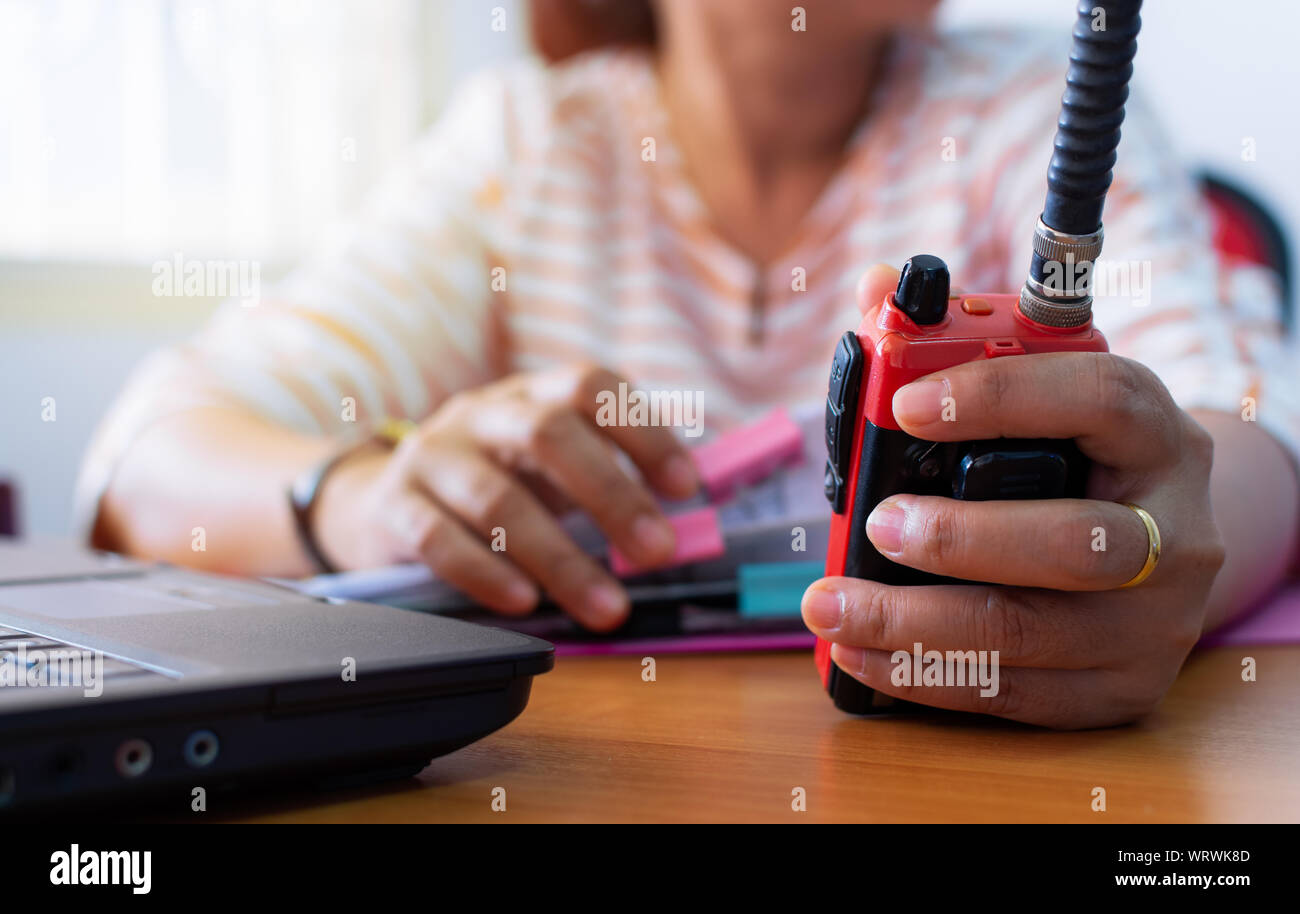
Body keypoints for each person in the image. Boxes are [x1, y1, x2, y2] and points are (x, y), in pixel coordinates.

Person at [80, 1, 1299, 727]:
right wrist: (361, 493)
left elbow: (1249, 420)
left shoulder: (1029, 105)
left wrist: (1162, 540)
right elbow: (150, 450)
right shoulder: (531, 142)